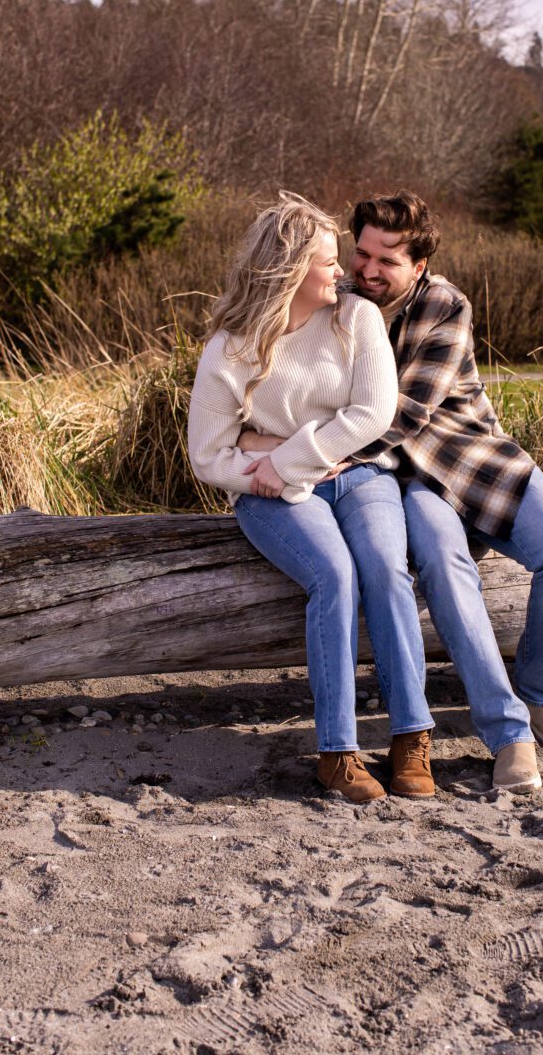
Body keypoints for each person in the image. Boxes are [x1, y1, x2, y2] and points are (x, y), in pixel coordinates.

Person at [242, 190, 543, 794]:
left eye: (388, 260)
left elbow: (401, 413)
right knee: (444, 567)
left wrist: (305, 452)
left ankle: (541, 693)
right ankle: (509, 733)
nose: (368, 270)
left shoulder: (444, 305)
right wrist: (261, 439)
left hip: (469, 456)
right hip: (402, 475)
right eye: (362, 254)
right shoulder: (335, 298)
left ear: (420, 265)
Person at [188, 192, 435, 804]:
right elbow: (208, 456)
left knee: (386, 569)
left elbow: (372, 413)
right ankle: (337, 752)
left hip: (356, 477)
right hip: (269, 494)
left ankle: (411, 736)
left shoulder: (357, 318)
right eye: (328, 261)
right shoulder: (231, 347)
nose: (343, 272)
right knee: (334, 575)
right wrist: (270, 472)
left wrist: (281, 453)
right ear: (290, 270)